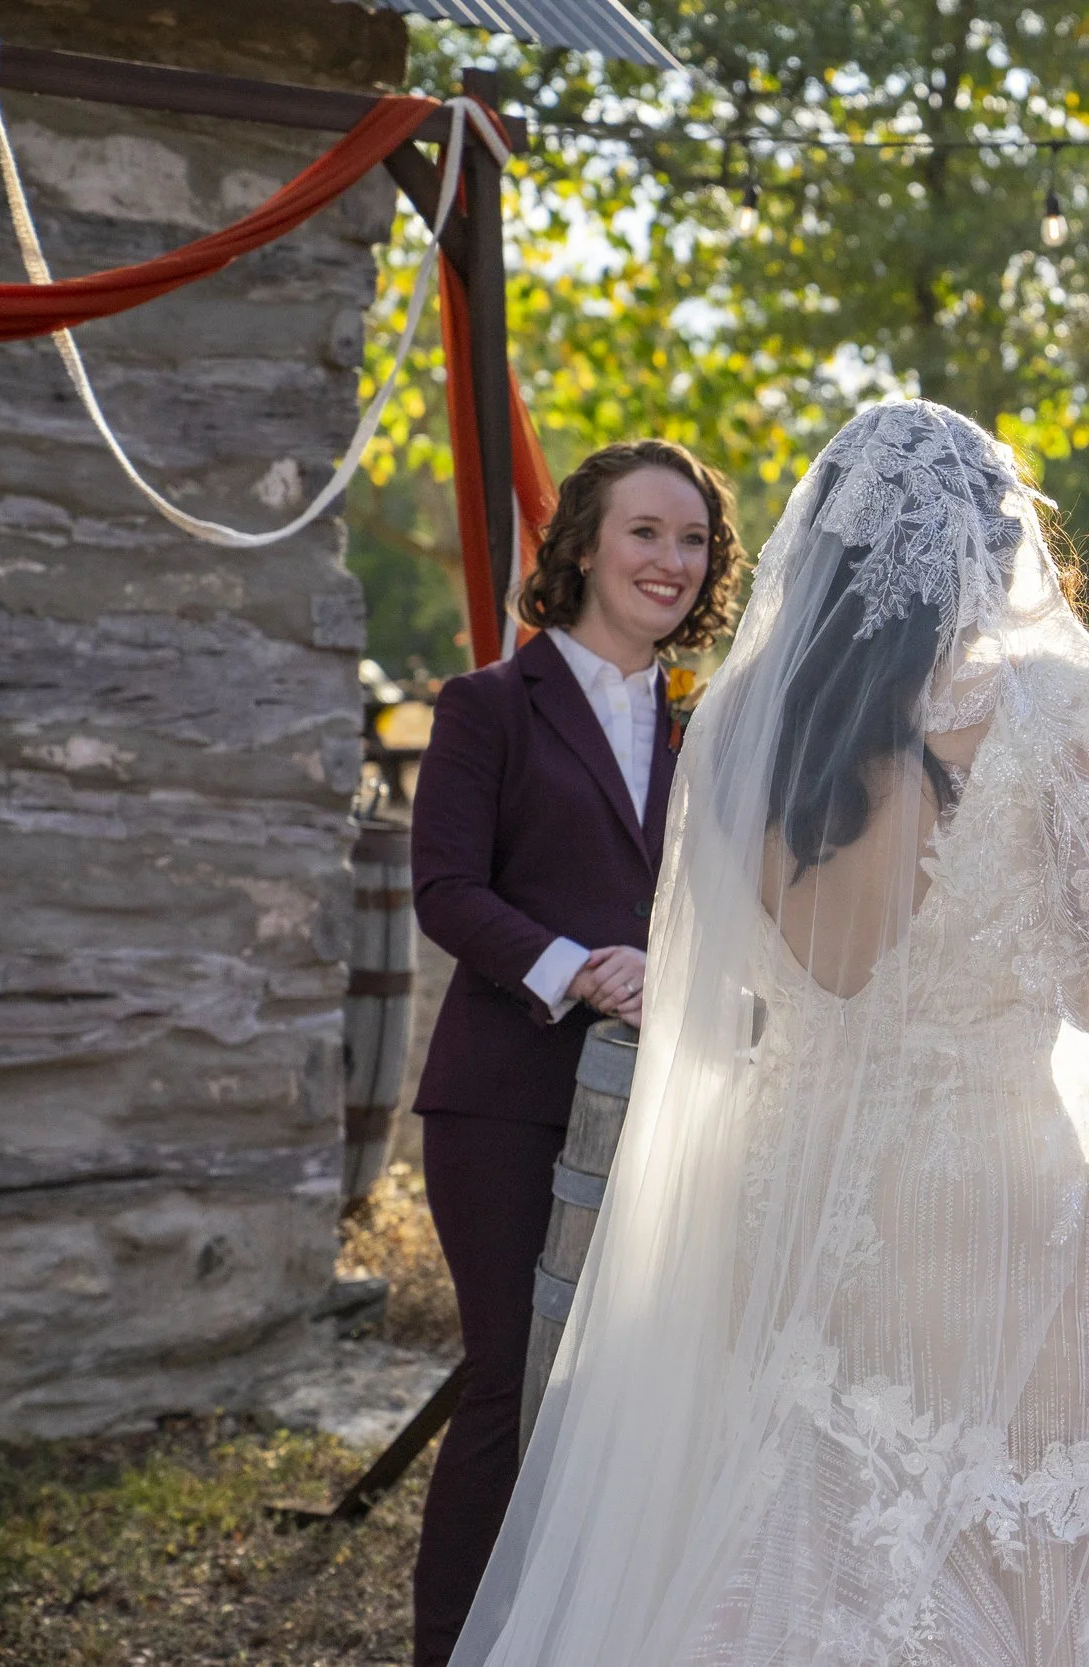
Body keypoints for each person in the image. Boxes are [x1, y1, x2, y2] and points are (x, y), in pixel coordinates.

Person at [445, 400, 1089, 1667]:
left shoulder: (750, 720)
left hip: (800, 1174)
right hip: (1000, 1182)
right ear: (992, 535)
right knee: (1006, 1514)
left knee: (808, 1497)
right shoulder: (1058, 702)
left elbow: (782, 965)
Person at [408, 438, 742, 1667]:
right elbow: (443, 887)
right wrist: (576, 966)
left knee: (620, 1394)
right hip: (506, 1096)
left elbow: (736, 900)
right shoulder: (487, 704)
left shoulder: (717, 729)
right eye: (645, 530)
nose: (669, 558)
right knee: (511, 1380)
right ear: (585, 543)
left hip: (664, 1102)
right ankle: (451, 1648)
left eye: (693, 538)